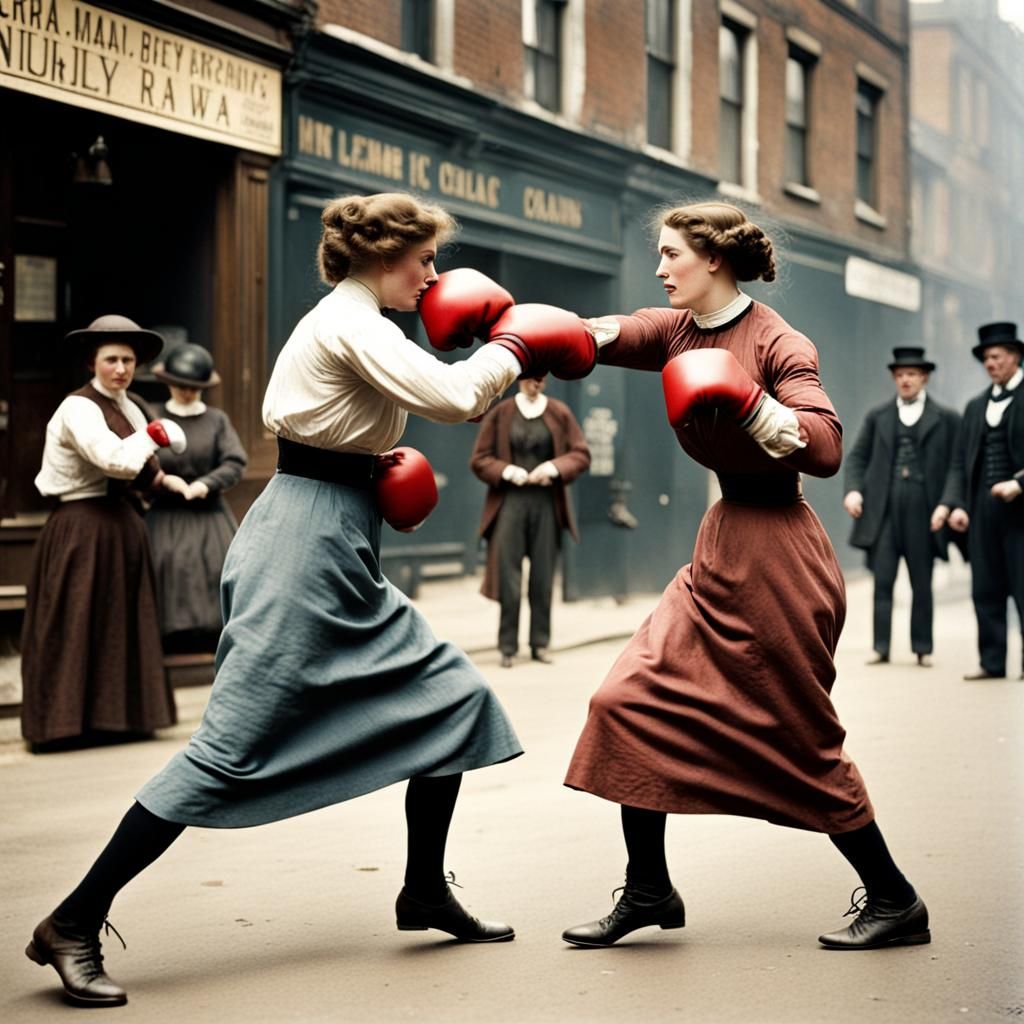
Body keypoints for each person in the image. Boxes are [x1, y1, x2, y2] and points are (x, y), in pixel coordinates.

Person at [24, 191, 597, 1009]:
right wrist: (513, 343)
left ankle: (423, 890)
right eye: (423, 259)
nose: (433, 275)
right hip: (300, 543)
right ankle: (73, 921)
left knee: (455, 702)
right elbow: (453, 399)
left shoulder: (370, 324)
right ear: (381, 257)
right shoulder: (350, 323)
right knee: (226, 751)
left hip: (341, 536)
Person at [560, 201, 929, 952]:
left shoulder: (779, 341)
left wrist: (752, 402)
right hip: (720, 544)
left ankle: (896, 899)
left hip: (779, 555)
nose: (660, 268)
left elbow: (825, 446)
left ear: (714, 259)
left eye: (672, 254)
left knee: (798, 734)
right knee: (627, 702)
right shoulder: (678, 329)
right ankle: (649, 888)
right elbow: (619, 332)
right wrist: (529, 335)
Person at [20, 315, 185, 749]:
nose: (121, 369)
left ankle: (122, 720)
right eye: (111, 359)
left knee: (120, 623)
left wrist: (166, 481)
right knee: (76, 620)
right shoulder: (78, 408)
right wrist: (154, 435)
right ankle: (64, 726)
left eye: (128, 360)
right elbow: (116, 460)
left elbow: (143, 469)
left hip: (121, 524)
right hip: (82, 526)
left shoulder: (131, 405)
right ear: (92, 363)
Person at [842, 347, 961, 667]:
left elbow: (957, 465)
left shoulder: (946, 418)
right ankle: (880, 647)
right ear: (894, 379)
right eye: (900, 375)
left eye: (912, 374)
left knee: (922, 582)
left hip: (924, 509)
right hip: (884, 509)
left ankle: (922, 647)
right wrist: (853, 491)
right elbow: (856, 458)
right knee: (882, 580)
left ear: (924, 378)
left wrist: (947, 504)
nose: (905, 380)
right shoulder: (878, 416)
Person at [469, 374, 590, 668]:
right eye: (530, 379)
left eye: (540, 379)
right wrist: (508, 471)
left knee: (543, 575)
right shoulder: (502, 413)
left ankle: (540, 644)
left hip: (546, 502)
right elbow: (480, 459)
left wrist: (553, 468)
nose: (535, 385)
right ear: (520, 380)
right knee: (508, 577)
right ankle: (507, 647)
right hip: (510, 501)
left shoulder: (559, 412)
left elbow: (580, 454)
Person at [933, 321, 1024, 681]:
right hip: (984, 510)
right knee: (985, 587)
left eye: (996, 356)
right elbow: (960, 462)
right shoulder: (975, 406)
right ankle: (992, 661)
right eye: (986, 358)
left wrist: (1019, 483)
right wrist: (956, 504)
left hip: (1021, 511)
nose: (990, 364)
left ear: (1015, 357)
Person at [147, 344, 247, 653]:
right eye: (181, 385)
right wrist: (165, 481)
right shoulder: (154, 416)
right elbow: (140, 460)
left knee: (216, 571)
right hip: (165, 514)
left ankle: (212, 650)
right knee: (166, 570)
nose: (187, 392)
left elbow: (234, 462)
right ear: (168, 383)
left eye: (193, 387)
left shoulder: (216, 420)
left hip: (209, 515)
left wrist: (206, 484)